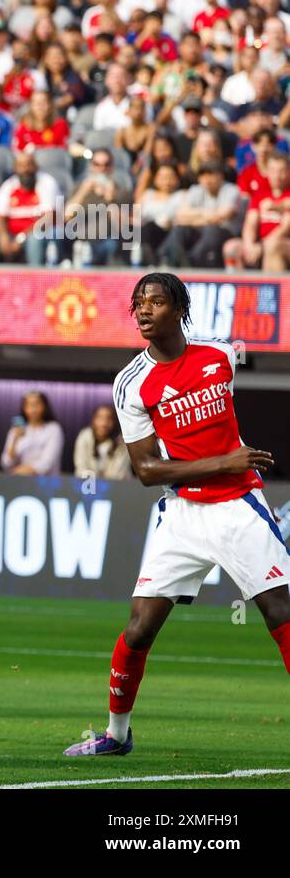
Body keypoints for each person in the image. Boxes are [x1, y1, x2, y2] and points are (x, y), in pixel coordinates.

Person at [65, 273, 289, 757]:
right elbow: (146, 469)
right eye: (138, 303)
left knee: (281, 611)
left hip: (238, 508)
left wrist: (230, 466)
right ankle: (116, 736)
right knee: (139, 627)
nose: (144, 311)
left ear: (179, 308)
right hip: (183, 513)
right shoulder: (131, 382)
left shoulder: (220, 353)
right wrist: (223, 461)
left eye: (156, 302)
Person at [1, 391, 64, 476]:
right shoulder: (16, 429)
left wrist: (26, 470)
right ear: (24, 408)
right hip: (20, 483)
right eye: (29, 405)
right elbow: (6, 462)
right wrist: (15, 440)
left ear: (44, 406)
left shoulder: (53, 429)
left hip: (47, 484)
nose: (33, 409)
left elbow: (46, 463)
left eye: (37, 404)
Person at [74, 404, 131, 481]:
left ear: (115, 421)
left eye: (109, 418)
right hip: (88, 487)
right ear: (93, 420)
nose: (104, 423)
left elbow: (118, 474)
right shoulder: (85, 436)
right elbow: (81, 468)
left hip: (117, 488)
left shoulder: (122, 441)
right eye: (100, 418)